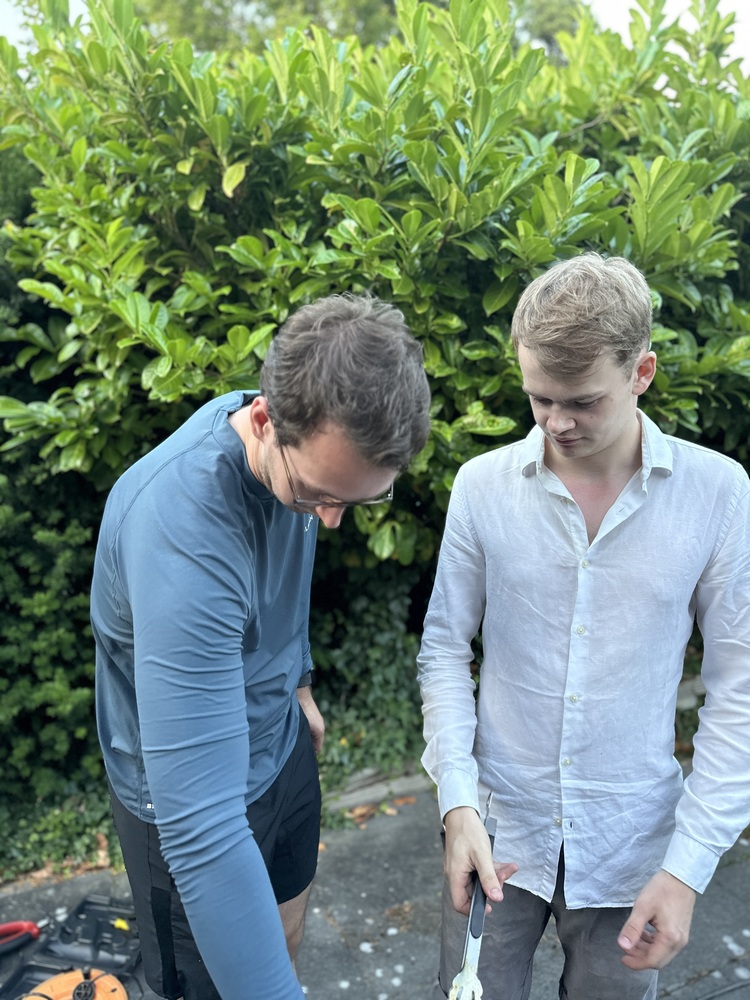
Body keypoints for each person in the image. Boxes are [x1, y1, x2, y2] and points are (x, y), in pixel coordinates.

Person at [417, 254, 750, 1000]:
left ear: (642, 372)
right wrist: (457, 802)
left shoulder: (719, 495)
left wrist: (688, 866)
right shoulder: (481, 488)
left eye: (583, 402)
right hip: (495, 830)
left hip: (634, 846)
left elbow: (741, 690)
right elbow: (444, 650)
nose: (556, 422)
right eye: (539, 398)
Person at [91, 293, 431, 1000]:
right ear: (264, 419)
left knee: (284, 932)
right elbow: (203, 828)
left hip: (280, 746)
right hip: (190, 802)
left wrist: (298, 679)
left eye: (356, 501)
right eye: (316, 494)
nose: (330, 520)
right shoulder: (182, 532)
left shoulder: (299, 450)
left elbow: (284, 570)